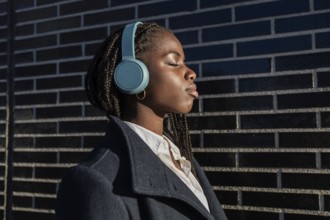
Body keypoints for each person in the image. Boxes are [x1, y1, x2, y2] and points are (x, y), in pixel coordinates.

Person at [56, 21, 227, 220]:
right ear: (133, 76)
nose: (191, 73)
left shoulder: (182, 159)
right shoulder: (96, 181)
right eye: (174, 62)